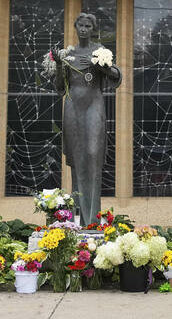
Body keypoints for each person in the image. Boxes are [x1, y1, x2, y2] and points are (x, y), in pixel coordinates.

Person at [45, 12, 121, 225]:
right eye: (81, 25)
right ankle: (78, 219)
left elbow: (116, 75)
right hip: (72, 107)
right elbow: (60, 87)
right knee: (78, 158)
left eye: (88, 26)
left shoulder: (100, 51)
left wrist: (100, 66)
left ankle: (93, 218)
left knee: (92, 153)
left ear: (93, 28)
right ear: (75, 27)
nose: (84, 29)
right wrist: (59, 64)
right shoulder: (68, 54)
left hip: (93, 106)